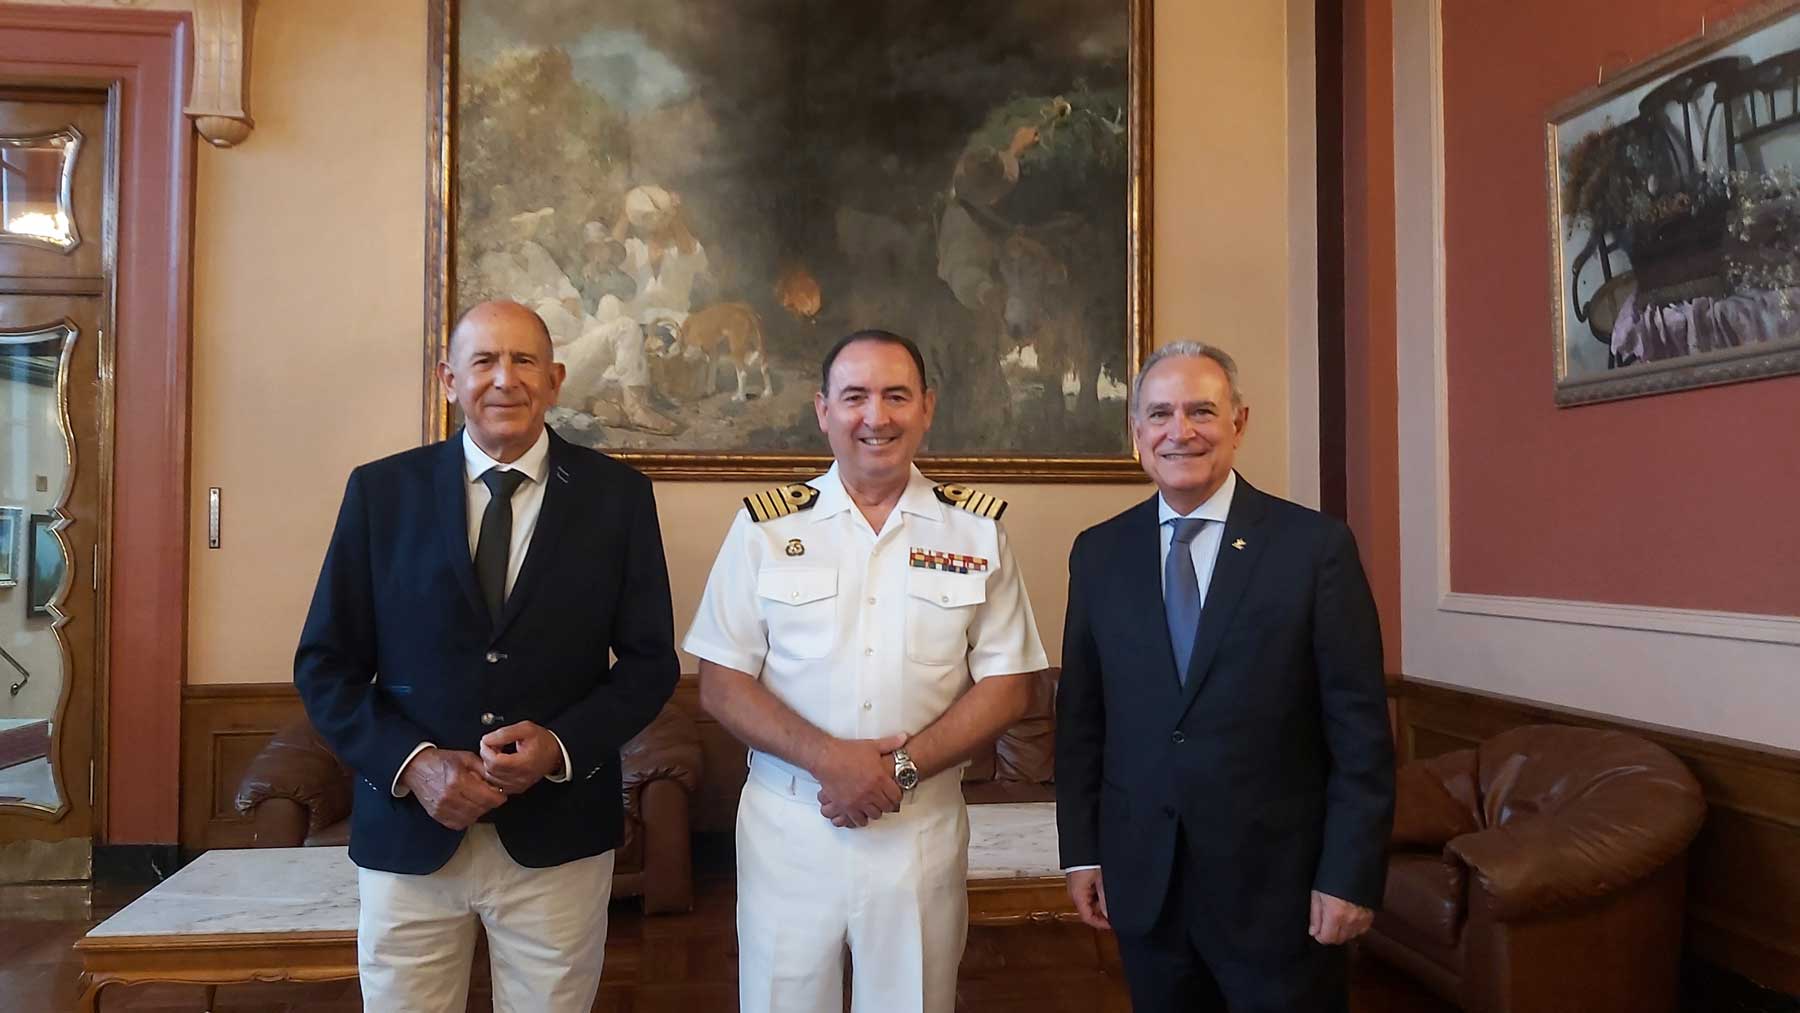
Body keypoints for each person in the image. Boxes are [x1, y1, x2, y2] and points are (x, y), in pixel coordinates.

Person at [294, 300, 679, 1013]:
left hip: (558, 838)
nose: (505, 379)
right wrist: (416, 764)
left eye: (524, 360)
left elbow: (651, 662)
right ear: (449, 379)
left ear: (556, 379)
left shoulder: (617, 498)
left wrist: (561, 745)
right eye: (484, 361)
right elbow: (325, 665)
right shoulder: (381, 493)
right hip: (411, 834)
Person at [683, 329, 1048, 1013]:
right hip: (791, 825)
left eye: (895, 396)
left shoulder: (974, 530)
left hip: (920, 828)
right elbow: (723, 680)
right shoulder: (764, 527)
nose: (875, 416)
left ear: (927, 407)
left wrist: (896, 770)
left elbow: (1009, 683)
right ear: (823, 409)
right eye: (854, 397)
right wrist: (832, 761)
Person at [1055, 341, 1394, 1012]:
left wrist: (1350, 875)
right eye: (1159, 413)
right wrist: (1082, 852)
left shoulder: (1314, 549)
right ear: (1136, 432)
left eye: (1201, 411)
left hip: (1282, 898)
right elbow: (1082, 722)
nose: (1179, 431)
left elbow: (1360, 733)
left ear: (1239, 423)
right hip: (1147, 887)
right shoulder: (1098, 553)